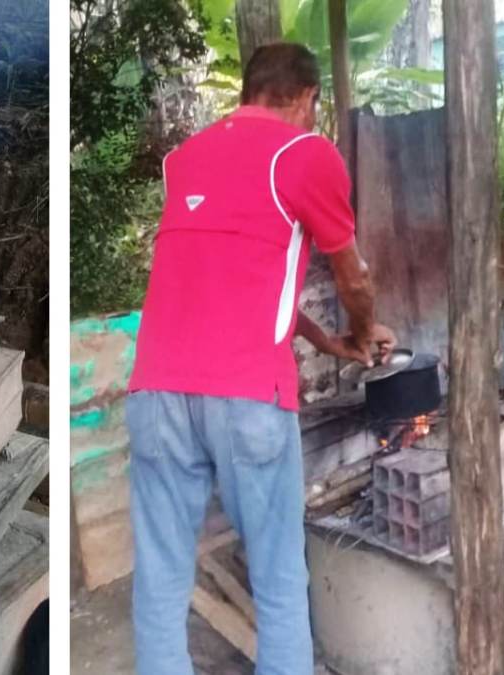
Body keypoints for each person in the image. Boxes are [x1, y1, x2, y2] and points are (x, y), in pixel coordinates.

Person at [126, 42, 396, 675]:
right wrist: (361, 333)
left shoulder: (185, 159)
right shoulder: (305, 154)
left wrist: (325, 342)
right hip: (248, 397)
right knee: (277, 579)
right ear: (305, 100)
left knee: (160, 579)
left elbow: (237, 281)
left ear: (249, 92)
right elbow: (354, 279)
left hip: (156, 394)